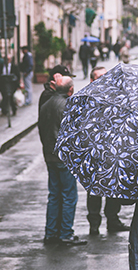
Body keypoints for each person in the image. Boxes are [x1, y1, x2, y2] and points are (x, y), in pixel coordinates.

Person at [38, 75, 87, 246]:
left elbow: (42, 131)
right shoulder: (68, 106)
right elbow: (75, 134)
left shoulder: (45, 105)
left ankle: (51, 233)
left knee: (54, 195)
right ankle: (66, 233)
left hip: (50, 156)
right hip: (64, 158)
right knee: (69, 196)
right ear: (70, 90)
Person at [86, 66, 130, 235]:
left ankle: (113, 220)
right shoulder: (88, 100)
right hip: (95, 153)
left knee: (114, 188)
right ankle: (94, 224)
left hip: (114, 152)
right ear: (92, 80)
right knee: (94, 191)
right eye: (100, 77)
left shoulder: (117, 97)